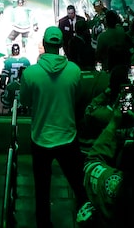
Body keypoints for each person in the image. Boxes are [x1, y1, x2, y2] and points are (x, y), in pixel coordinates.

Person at [19, 27, 86, 228]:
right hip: (68, 135)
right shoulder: (74, 70)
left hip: (40, 137)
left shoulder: (31, 73)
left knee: (41, 189)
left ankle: (43, 223)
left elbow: (25, 101)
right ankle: (89, 217)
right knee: (79, 186)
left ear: (44, 43)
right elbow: (78, 97)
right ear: (61, 45)